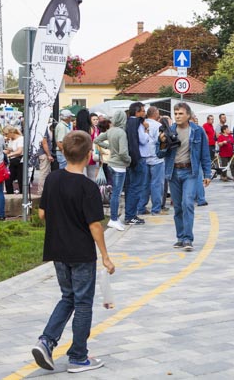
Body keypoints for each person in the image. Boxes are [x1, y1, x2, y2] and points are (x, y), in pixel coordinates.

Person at [31, 130, 115, 374]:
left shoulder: (53, 179)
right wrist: (105, 256)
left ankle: (46, 341)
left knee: (68, 297)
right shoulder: (88, 187)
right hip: (81, 253)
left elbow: (42, 213)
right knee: (83, 303)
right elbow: (95, 226)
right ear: (89, 155)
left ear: (64, 152)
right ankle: (78, 356)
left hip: (57, 249)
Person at [157, 102, 211, 251]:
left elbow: (205, 154)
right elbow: (159, 154)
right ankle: (180, 238)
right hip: (173, 172)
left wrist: (207, 174)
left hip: (190, 172)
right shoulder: (168, 131)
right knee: (178, 207)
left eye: (181, 113)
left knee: (187, 203)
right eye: (176, 113)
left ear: (188, 115)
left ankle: (188, 238)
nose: (178, 116)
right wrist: (162, 142)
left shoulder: (198, 131)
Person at [94, 110, 131, 231]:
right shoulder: (121, 133)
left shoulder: (110, 131)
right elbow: (123, 152)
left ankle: (114, 218)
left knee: (115, 192)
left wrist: (109, 146)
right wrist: (129, 160)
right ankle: (114, 219)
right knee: (116, 193)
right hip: (119, 165)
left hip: (111, 163)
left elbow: (96, 140)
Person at [124, 102, 147, 224]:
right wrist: (147, 131)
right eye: (143, 111)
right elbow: (143, 140)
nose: (144, 113)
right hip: (139, 157)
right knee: (136, 187)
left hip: (130, 158)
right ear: (137, 112)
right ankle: (131, 215)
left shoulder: (128, 122)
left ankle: (129, 214)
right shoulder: (139, 123)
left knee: (130, 187)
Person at [140, 106, 165, 215]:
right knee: (156, 184)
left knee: (144, 184)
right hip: (156, 158)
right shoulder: (158, 126)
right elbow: (160, 141)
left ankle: (141, 207)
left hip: (144, 157)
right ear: (155, 114)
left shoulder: (142, 124)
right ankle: (156, 209)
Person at [4, 126, 24, 195]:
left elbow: (19, 151)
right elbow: (9, 150)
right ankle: (10, 194)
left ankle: (22, 195)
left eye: (6, 134)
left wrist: (9, 155)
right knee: (8, 180)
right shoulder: (11, 139)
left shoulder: (21, 139)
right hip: (13, 161)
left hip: (20, 162)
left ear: (11, 132)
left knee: (21, 180)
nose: (6, 136)